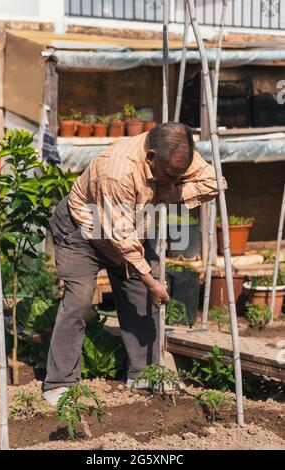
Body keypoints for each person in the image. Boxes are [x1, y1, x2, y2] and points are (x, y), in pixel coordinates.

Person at [42, 122, 226, 405]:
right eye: (170, 174)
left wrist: (168, 191)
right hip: (83, 230)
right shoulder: (116, 171)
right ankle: (59, 382)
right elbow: (122, 237)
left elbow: (215, 183)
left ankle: (144, 374)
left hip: (132, 227)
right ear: (151, 156)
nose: (176, 179)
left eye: (181, 174)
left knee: (141, 300)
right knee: (79, 298)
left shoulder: (177, 153)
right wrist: (151, 281)